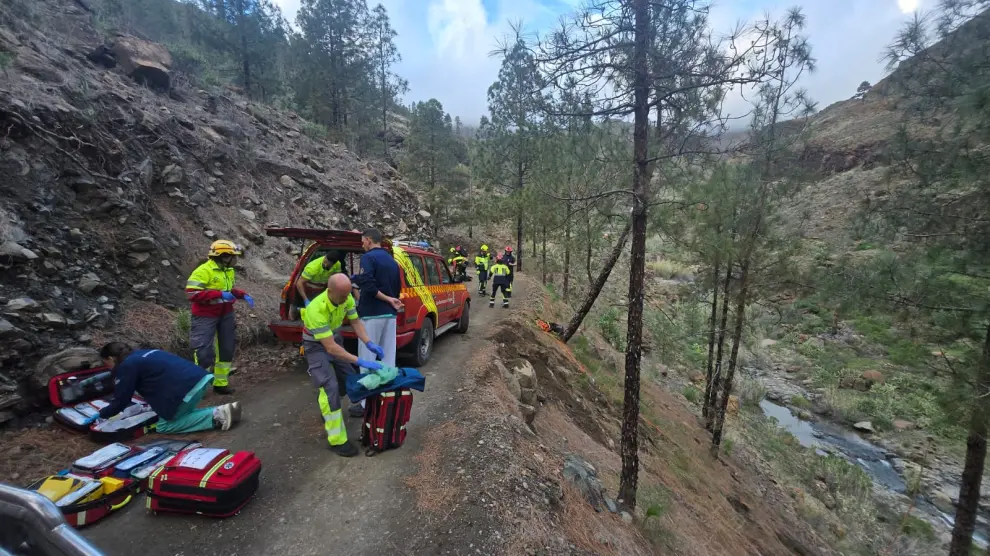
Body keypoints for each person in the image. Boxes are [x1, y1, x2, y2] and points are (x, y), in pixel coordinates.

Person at [303, 274, 386, 457]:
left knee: (348, 378)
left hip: (334, 338)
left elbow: (355, 321)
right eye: (342, 296)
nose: (345, 300)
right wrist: (360, 360)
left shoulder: (345, 297)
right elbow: (330, 348)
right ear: (330, 291)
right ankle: (337, 440)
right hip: (315, 345)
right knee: (329, 387)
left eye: (347, 295)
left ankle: (331, 407)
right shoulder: (316, 309)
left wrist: (369, 342)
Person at [86, 342, 241, 433]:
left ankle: (216, 415)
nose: (107, 367)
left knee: (165, 425)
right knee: (180, 413)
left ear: (111, 358)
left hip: (185, 388)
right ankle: (224, 410)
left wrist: (102, 414)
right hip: (200, 378)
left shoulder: (127, 366)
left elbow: (121, 400)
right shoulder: (143, 353)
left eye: (106, 363)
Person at [185, 240, 254, 395]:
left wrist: (242, 294)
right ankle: (199, 387)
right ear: (223, 256)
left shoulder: (228, 270)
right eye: (233, 256)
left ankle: (221, 384)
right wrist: (219, 294)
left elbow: (229, 290)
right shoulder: (203, 271)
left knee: (226, 349)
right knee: (203, 352)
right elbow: (192, 293)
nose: (236, 260)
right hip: (205, 316)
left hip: (225, 314)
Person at [352, 228, 402, 417]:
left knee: (367, 359)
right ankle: (387, 399)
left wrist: (385, 298)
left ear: (368, 240)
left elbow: (369, 286)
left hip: (372, 314)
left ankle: (366, 404)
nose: (362, 244)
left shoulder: (368, 258)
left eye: (362, 241)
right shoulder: (392, 261)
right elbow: (395, 286)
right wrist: (391, 300)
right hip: (390, 316)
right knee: (388, 357)